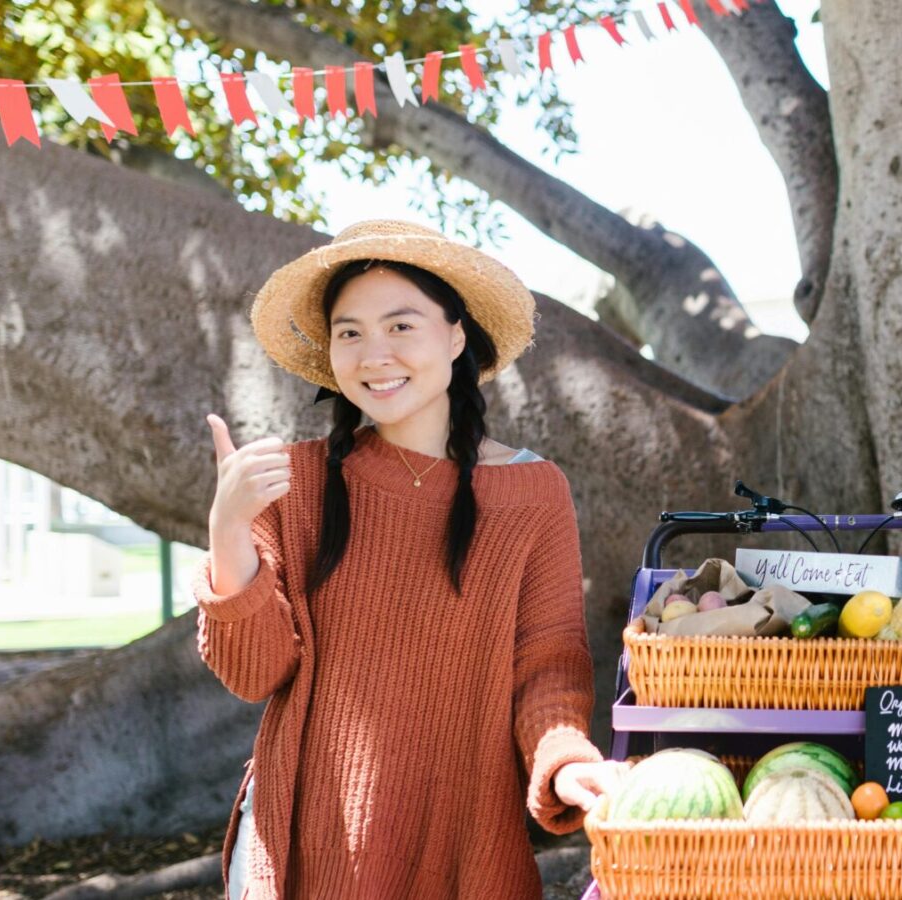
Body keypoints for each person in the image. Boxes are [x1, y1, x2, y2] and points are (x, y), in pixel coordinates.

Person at [195, 220, 626, 899]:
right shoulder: (292, 484)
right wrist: (228, 531)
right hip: (304, 843)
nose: (374, 354)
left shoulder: (532, 492)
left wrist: (566, 762)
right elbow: (255, 673)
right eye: (350, 332)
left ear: (457, 336)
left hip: (462, 841)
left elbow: (548, 665)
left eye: (401, 326)